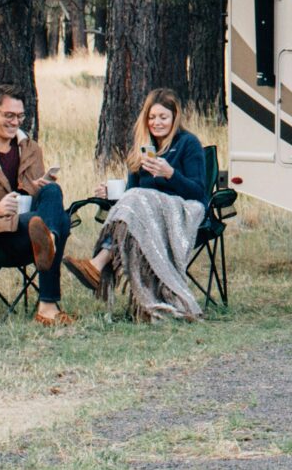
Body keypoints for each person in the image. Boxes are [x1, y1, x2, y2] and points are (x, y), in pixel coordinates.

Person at [0, 85, 101, 326]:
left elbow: (30, 196)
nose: (15, 122)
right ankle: (48, 303)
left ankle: (50, 240)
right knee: (61, 220)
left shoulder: (30, 148)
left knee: (52, 190)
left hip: (28, 232)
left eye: (20, 116)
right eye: (9, 115)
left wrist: (34, 187)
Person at [89, 89, 211, 321]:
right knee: (135, 202)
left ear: (175, 117)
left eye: (163, 117)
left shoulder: (188, 143)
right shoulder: (143, 147)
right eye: (152, 117)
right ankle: (142, 299)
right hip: (146, 214)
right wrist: (110, 194)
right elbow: (131, 192)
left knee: (139, 199)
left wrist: (170, 174)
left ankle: (98, 264)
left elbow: (198, 192)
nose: (157, 123)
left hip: (180, 209)